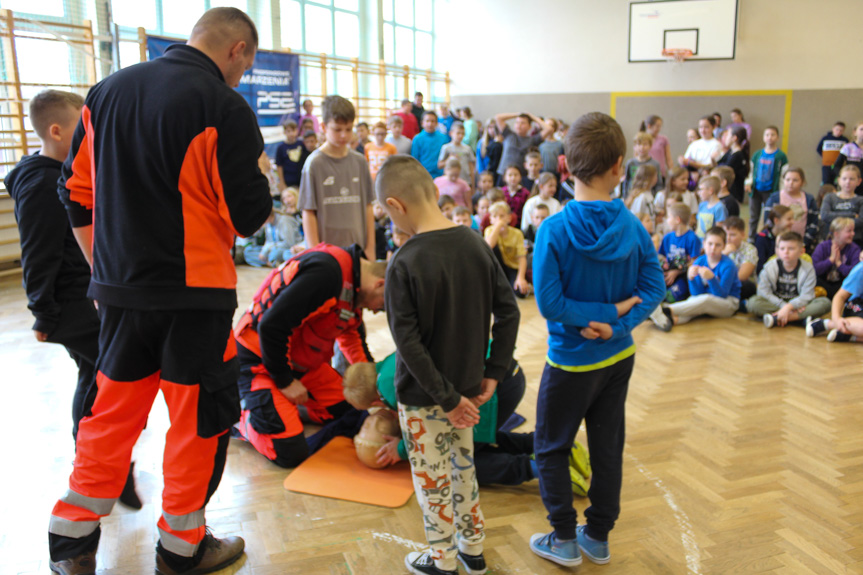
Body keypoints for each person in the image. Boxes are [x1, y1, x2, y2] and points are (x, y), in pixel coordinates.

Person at [50, 9, 273, 575]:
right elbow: (249, 218)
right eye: (246, 64)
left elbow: (75, 193)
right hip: (195, 298)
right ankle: (181, 549)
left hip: (120, 294)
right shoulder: (224, 106)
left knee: (109, 419)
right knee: (196, 425)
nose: (243, 75)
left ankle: (72, 547)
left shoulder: (105, 92)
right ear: (238, 50)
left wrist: (104, 273)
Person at [530, 112, 665, 568]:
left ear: (564, 164)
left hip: (570, 364)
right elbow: (654, 288)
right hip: (617, 357)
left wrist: (607, 319)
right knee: (607, 448)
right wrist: (617, 320)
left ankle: (565, 539)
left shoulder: (552, 228)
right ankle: (599, 536)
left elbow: (549, 304)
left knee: (551, 447)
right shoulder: (630, 225)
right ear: (619, 167)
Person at [375, 155, 520, 575]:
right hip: (470, 389)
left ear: (395, 205)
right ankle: (472, 550)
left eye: (386, 213)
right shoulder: (475, 242)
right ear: (435, 192)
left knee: (432, 480)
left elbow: (408, 344)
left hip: (426, 399)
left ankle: (442, 561)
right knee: (463, 468)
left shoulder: (404, 262)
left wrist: (446, 398)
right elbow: (509, 312)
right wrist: (494, 371)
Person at [5, 88, 142, 507]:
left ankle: (101, 464)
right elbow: (38, 252)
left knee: (95, 374)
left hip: (82, 296)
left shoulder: (58, 174)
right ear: (56, 130)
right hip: (68, 303)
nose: (89, 137)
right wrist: (43, 314)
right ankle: (102, 467)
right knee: (111, 374)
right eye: (81, 128)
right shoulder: (42, 183)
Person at [232, 243, 385, 467]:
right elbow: (270, 327)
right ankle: (244, 417)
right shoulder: (327, 274)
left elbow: (352, 340)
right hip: (259, 363)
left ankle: (287, 408)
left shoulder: (353, 288)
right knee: (290, 453)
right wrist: (284, 382)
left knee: (353, 410)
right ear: (379, 284)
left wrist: (376, 387)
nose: (375, 311)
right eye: (381, 305)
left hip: (301, 366)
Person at [340, 353, 551, 488]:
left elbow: (426, 431)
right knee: (476, 442)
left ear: (376, 400)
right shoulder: (387, 364)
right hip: (504, 372)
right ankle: (548, 446)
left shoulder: (390, 387)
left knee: (456, 459)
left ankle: (542, 468)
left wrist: (403, 449)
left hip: (494, 386)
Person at [299, 95, 375, 260]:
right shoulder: (314, 164)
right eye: (337, 129)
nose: (343, 135)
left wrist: (370, 249)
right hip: (327, 254)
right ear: (324, 127)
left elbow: (368, 207)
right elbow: (308, 212)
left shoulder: (360, 162)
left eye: (348, 129)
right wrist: (315, 254)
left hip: (358, 251)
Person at [661, 226, 741, 327]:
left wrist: (711, 279)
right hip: (705, 301)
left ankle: (666, 310)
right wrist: (691, 279)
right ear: (704, 244)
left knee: (705, 300)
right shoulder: (699, 261)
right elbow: (696, 294)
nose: (713, 248)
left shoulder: (728, 265)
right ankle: (671, 320)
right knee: (693, 302)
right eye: (710, 244)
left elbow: (722, 295)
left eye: (718, 245)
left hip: (729, 303)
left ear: (724, 247)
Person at [748, 231, 831, 328]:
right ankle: (800, 319)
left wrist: (790, 306)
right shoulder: (769, 267)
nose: (786, 252)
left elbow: (807, 295)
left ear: (801, 251)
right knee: (753, 303)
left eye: (791, 248)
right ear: (778, 250)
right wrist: (784, 306)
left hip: (799, 304)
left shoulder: (808, 269)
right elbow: (763, 292)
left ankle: (778, 318)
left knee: (825, 303)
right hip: (776, 303)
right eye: (782, 248)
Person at [763, 167, 819, 252]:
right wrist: (778, 243)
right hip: (779, 244)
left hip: (802, 243)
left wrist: (804, 243)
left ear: (802, 182)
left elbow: (814, 223)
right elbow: (768, 222)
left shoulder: (809, 199)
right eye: (787, 179)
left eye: (795, 180)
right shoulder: (774, 198)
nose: (791, 183)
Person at [806, 259, 863, 341]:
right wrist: (836, 319)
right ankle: (828, 324)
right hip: (858, 307)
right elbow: (840, 296)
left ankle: (850, 336)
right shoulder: (861, 270)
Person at [657, 203, 702, 303]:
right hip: (668, 274)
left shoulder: (692, 238)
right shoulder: (667, 237)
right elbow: (662, 257)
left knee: (670, 297)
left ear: (677, 220)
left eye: (669, 217)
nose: (667, 220)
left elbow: (694, 262)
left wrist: (676, 272)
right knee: (655, 292)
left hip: (684, 276)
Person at [750, 125, 789, 240]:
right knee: (754, 216)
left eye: (772, 135)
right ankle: (751, 237)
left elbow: (784, 175)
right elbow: (751, 171)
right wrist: (748, 183)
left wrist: (782, 191)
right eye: (767, 135)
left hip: (771, 191)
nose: (770, 137)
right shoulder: (757, 154)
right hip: (756, 189)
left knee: (769, 216)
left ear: (777, 138)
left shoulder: (781, 156)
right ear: (763, 137)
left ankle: (767, 237)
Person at [485, 201, 529, 297]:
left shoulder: (517, 233)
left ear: (509, 218)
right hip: (497, 267)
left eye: (502, 216)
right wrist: (498, 226)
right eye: (495, 216)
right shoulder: (489, 230)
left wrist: (520, 277)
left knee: (520, 292)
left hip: (513, 267)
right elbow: (489, 245)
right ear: (490, 219)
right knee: (494, 247)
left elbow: (522, 257)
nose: (498, 219)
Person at [494, 112, 553, 185]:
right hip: (504, 174)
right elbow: (498, 118)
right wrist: (518, 114)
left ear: (529, 127)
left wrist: (532, 117)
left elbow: (549, 129)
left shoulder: (532, 140)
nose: (519, 125)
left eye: (523, 123)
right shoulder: (508, 134)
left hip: (520, 176)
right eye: (517, 122)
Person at [811, 218, 860, 299]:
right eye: (849, 231)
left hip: (842, 285)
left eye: (853, 231)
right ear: (836, 234)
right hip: (824, 284)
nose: (853, 233)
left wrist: (839, 264)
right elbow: (814, 269)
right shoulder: (823, 246)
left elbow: (855, 273)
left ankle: (836, 299)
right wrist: (831, 260)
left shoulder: (854, 249)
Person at [821, 165, 863, 241]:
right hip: (832, 238)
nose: (848, 182)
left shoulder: (861, 200)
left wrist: (835, 218)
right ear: (839, 180)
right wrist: (851, 215)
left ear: (859, 181)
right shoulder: (829, 197)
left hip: (855, 240)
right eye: (844, 178)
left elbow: (861, 221)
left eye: (852, 179)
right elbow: (825, 216)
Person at [721, 216, 759, 302]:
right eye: (725, 234)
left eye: (732, 235)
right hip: (721, 283)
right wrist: (723, 254)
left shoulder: (750, 249)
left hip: (739, 284)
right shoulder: (720, 246)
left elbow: (742, 276)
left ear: (742, 235)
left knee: (746, 286)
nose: (727, 239)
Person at [754, 205, 795, 275]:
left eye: (792, 219)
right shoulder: (762, 239)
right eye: (789, 219)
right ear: (776, 221)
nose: (793, 222)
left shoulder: (791, 237)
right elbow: (760, 266)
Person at [716, 125, 750, 203]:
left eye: (727, 135)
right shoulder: (731, 151)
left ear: (734, 138)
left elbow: (723, 170)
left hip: (734, 193)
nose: (725, 138)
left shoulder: (738, 155)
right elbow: (719, 163)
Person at [411, 111, 449, 179]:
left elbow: (446, 157)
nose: (430, 124)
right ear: (422, 123)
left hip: (440, 176)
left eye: (433, 121)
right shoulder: (417, 139)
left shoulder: (443, 138)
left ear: (437, 123)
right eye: (427, 121)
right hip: (423, 175)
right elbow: (414, 160)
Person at [623, 131, 663, 197]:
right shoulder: (630, 163)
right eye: (639, 144)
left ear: (650, 146)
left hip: (649, 196)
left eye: (645, 144)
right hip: (632, 196)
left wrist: (655, 197)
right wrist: (626, 197)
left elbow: (659, 184)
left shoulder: (655, 164)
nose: (642, 147)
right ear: (634, 146)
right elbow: (626, 182)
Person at [437, 121, 475, 186]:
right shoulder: (446, 148)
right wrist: (448, 159)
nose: (460, 136)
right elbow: (439, 165)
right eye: (458, 133)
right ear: (451, 133)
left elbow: (471, 167)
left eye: (462, 134)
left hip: (465, 180)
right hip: (450, 182)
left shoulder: (467, 149)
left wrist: (473, 184)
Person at [275, 119, 309, 190]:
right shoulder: (281, 148)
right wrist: (282, 182)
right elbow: (279, 166)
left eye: (293, 131)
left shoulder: (301, 144)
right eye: (288, 131)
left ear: (297, 131)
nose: (291, 134)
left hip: (301, 180)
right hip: (288, 181)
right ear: (284, 132)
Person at [833, 122, 863, 196]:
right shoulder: (848, 147)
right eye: (861, 129)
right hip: (852, 184)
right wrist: (843, 179)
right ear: (855, 132)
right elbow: (837, 166)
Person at [642, 115, 672, 179]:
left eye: (660, 126)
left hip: (660, 174)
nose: (659, 129)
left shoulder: (663, 139)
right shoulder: (641, 139)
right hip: (645, 174)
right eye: (657, 126)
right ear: (649, 126)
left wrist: (671, 172)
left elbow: (668, 159)